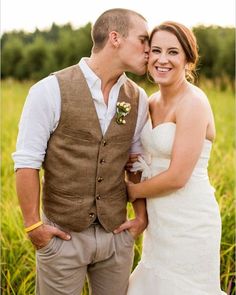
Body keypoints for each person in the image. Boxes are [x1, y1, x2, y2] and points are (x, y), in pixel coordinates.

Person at [12, 8, 150, 295]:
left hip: (116, 236)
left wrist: (140, 217)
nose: (149, 50)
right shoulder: (49, 90)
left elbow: (135, 162)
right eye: (143, 40)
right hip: (63, 237)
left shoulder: (138, 97)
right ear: (115, 38)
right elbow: (26, 163)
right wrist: (33, 227)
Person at [126, 21, 227, 295]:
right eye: (156, 50)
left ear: (187, 59)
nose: (162, 59)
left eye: (173, 52)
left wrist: (129, 191)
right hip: (160, 222)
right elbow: (136, 155)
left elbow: (178, 177)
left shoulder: (194, 102)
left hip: (190, 221)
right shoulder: (149, 102)